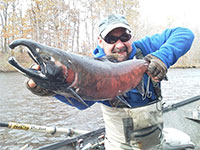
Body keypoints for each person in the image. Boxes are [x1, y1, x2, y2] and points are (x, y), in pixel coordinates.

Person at [26, 14, 194, 149]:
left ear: (131, 36)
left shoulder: (145, 48)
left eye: (124, 36)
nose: (119, 44)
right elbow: (82, 103)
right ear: (101, 41)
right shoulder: (94, 69)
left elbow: (185, 34)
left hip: (155, 143)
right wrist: (51, 89)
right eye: (111, 39)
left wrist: (162, 58)